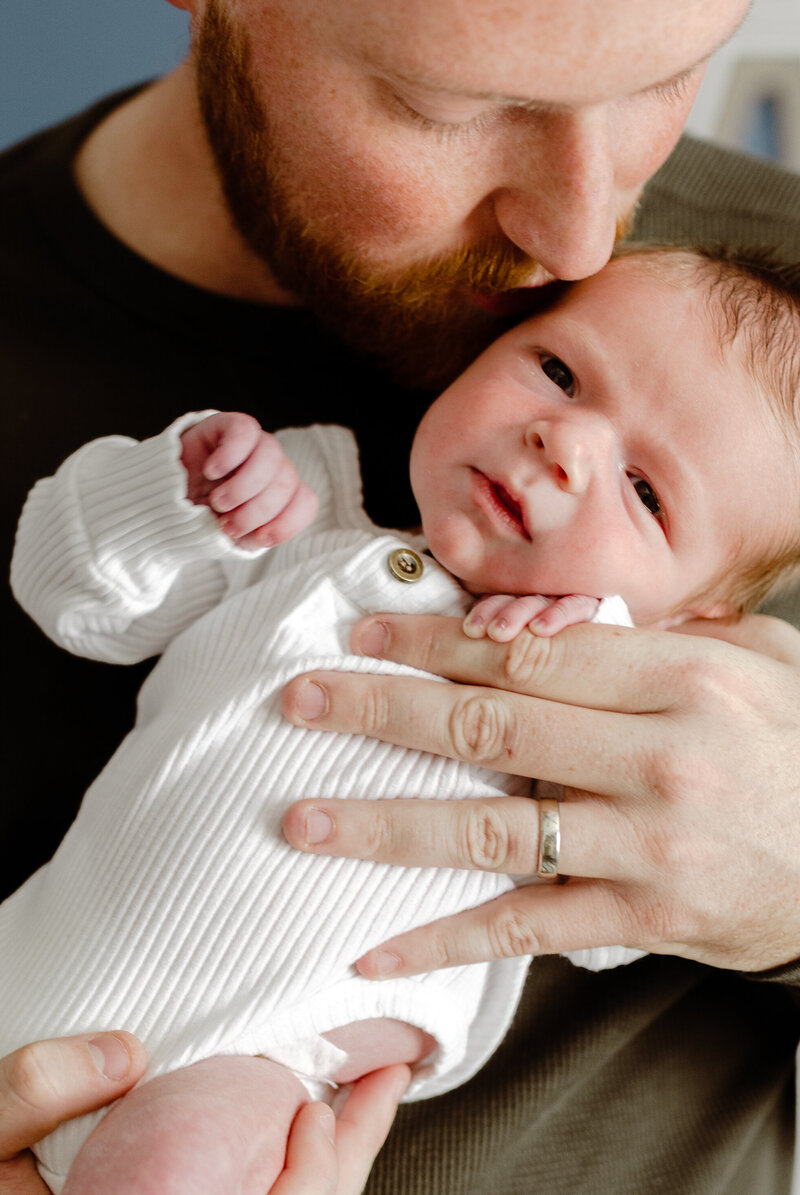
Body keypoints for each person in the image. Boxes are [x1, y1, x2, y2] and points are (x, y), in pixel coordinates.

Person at [2, 0, 800, 1190]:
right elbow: (79, 583)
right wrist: (191, 496)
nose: (582, 236)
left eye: (668, 76)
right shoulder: (302, 494)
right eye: (455, 105)